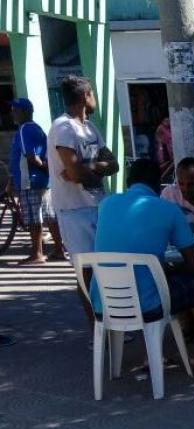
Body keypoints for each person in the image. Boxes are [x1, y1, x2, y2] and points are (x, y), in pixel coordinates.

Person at [92, 158, 194, 374]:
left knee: (149, 279)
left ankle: (152, 354)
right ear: (157, 183)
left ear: (128, 181)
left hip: (104, 302)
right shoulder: (168, 209)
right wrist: (169, 269)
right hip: (148, 303)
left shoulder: (105, 204)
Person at [48, 75, 120, 324]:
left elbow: (114, 164)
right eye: (92, 94)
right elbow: (77, 174)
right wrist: (90, 170)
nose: (94, 99)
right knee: (87, 273)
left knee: (109, 267)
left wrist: (92, 166)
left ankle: (115, 320)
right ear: (84, 96)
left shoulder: (90, 128)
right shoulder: (63, 128)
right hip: (74, 211)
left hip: (98, 206)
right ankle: (98, 329)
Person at [8, 97, 63, 264]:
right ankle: (59, 250)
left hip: (29, 180)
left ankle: (37, 253)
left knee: (34, 218)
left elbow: (31, 156)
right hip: (44, 181)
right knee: (50, 216)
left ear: (25, 112)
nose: (13, 115)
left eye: (15, 111)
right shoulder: (38, 128)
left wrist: (42, 168)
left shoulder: (24, 129)